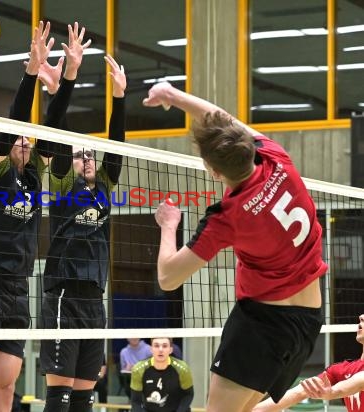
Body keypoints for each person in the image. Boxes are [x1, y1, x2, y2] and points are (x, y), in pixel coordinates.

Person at [144, 82, 327, 412]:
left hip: (263, 324)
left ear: (213, 172)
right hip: (309, 319)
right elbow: (223, 119)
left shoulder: (227, 217)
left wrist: (169, 226)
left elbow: (168, 278)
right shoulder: (276, 157)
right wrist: (172, 95)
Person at [0, 21, 88, 412]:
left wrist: (67, 76)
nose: (22, 140)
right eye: (16, 136)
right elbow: (16, 118)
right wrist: (31, 71)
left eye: (26, 138)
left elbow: (53, 129)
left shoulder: (35, 173)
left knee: (5, 387)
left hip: (19, 285)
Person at [39, 53, 126, 412]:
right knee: (59, 398)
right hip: (63, 294)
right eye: (79, 156)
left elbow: (117, 147)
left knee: (83, 398)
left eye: (91, 154)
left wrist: (119, 98)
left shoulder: (104, 185)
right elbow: (56, 134)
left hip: (95, 300)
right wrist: (60, 87)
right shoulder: (62, 183)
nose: (87, 159)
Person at [253, 314, 364, 412]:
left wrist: (332, 392)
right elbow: (300, 392)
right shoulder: (341, 369)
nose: (361, 317)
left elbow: (353, 383)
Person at [130, 337, 193, 412]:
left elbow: (188, 395)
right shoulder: (139, 369)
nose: (160, 350)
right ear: (151, 349)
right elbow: (135, 401)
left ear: (170, 350)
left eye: (164, 346)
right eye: (156, 346)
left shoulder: (183, 369)